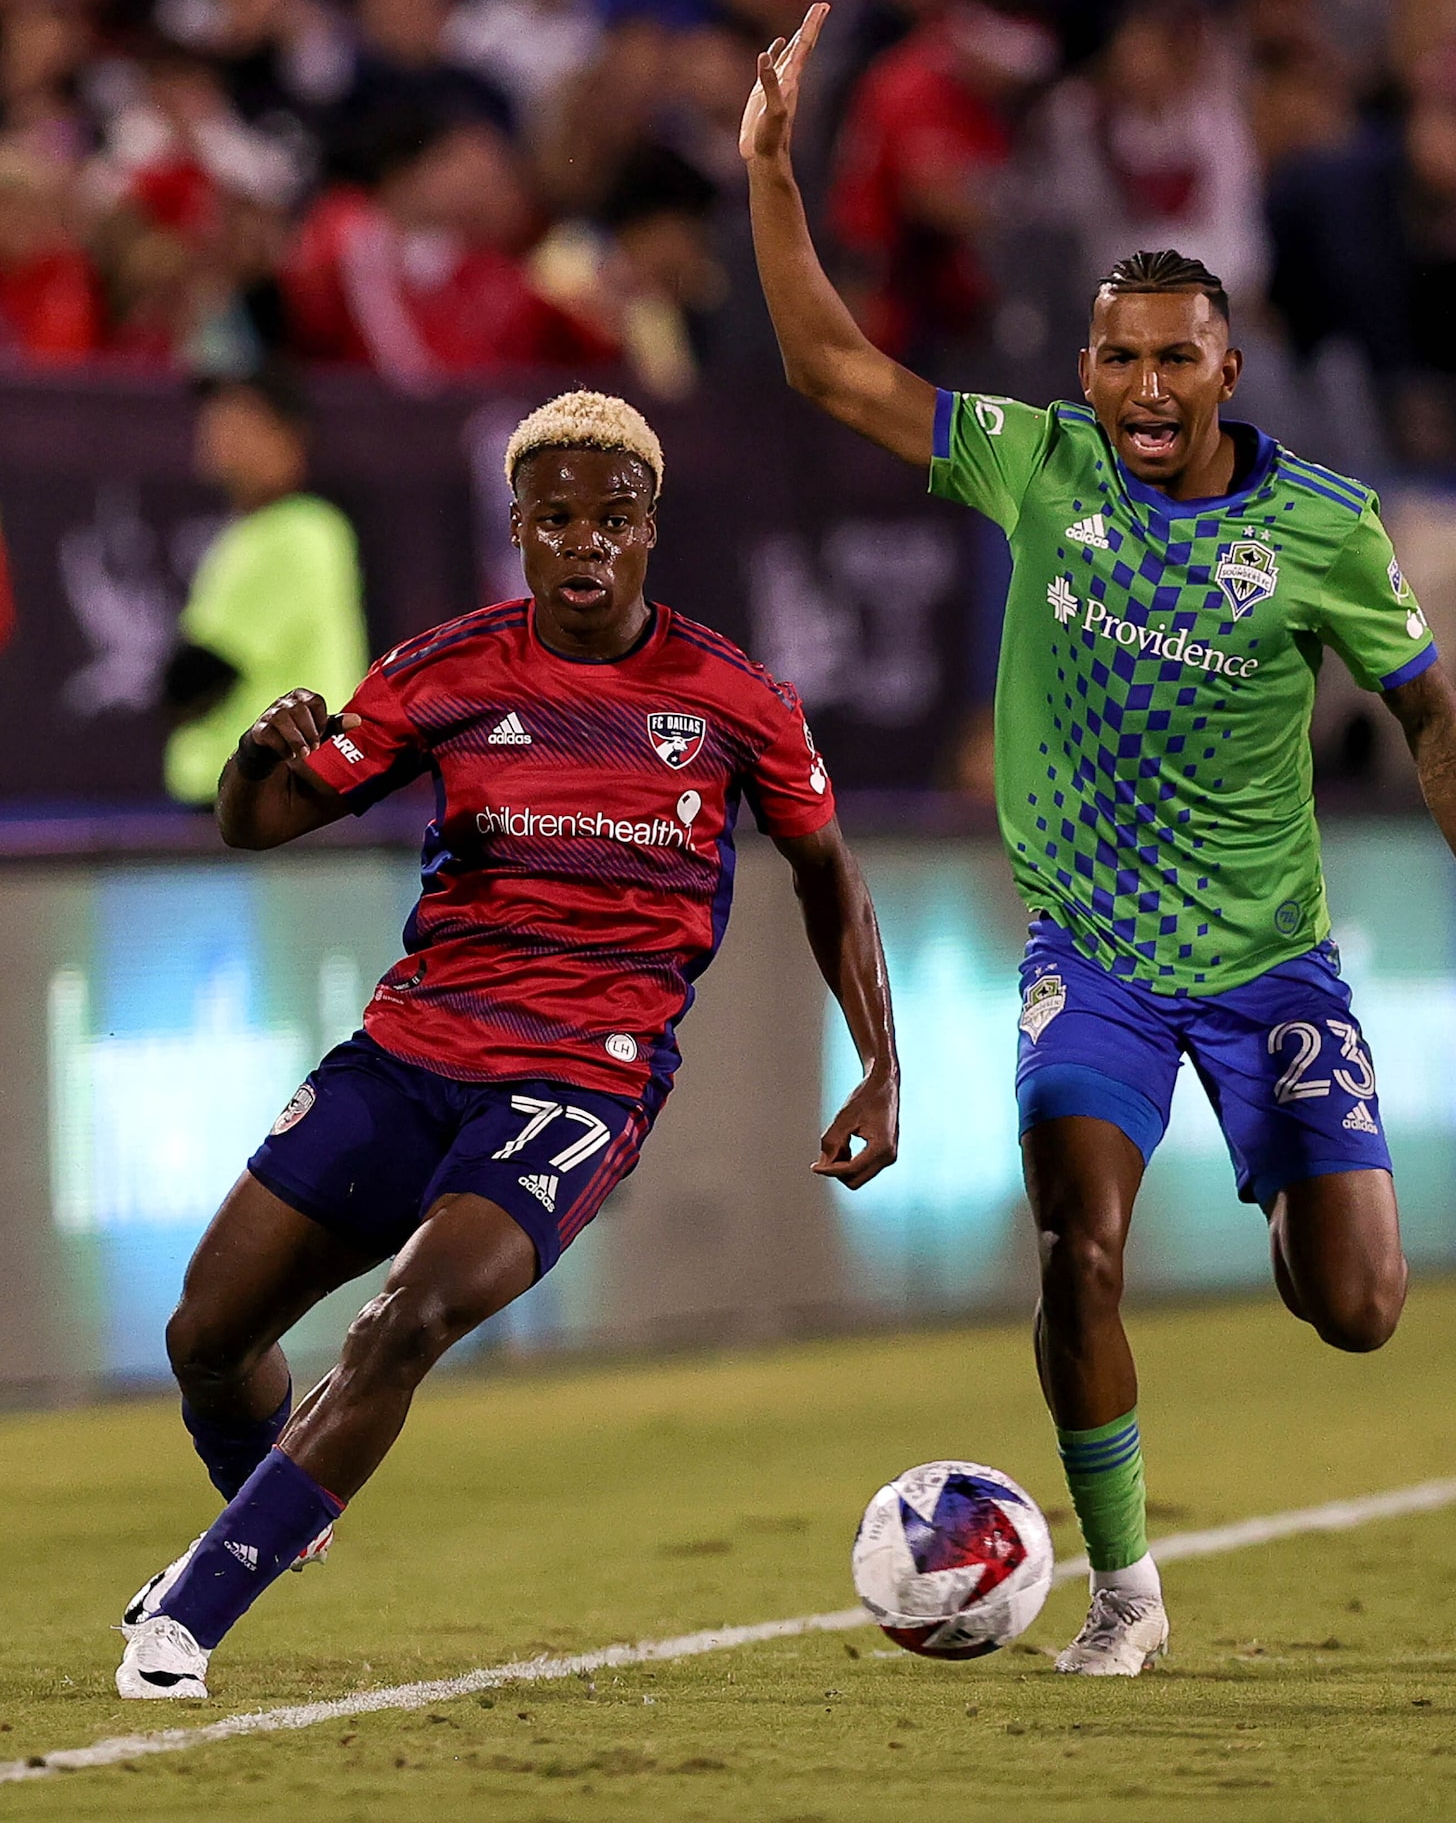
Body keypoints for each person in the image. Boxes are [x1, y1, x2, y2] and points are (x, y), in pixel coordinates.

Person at [742, 6, 1456, 1678]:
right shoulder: (1034, 467)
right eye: (1117, 356)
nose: (1141, 386)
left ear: (1226, 370)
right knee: (1078, 1244)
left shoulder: (1320, 527)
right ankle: (1124, 1594)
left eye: (1174, 356)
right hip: (1093, 963)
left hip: (1271, 965)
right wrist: (770, 171)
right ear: (1088, 370)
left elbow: (1426, 713)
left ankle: (1295, 1184)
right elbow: (830, 363)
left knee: (1356, 1304)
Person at [117, 389, 899, 1698]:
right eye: (556, 520)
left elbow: (828, 874)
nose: (585, 542)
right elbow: (256, 823)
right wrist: (261, 757)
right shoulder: (449, 670)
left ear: (651, 529)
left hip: (580, 1077)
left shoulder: (732, 698)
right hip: (410, 1052)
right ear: (519, 533)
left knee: (406, 1316)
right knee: (205, 1331)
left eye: (613, 517)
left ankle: (189, 1612)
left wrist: (878, 1062)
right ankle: (277, 1504)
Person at [162, 372, 367, 807]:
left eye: (240, 419)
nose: (219, 431)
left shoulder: (299, 532)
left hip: (272, 797)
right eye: (215, 418)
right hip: (248, 796)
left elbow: (198, 677)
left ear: (288, 439)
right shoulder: (248, 534)